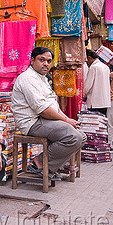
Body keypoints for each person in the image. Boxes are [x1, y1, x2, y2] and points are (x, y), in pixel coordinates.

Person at [12, 46, 85, 180]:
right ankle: (39, 162)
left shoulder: (42, 78)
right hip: (32, 122)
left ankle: (50, 167)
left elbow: (52, 105)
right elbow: (43, 110)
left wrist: (66, 119)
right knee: (73, 137)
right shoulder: (27, 78)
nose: (46, 64)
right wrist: (66, 120)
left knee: (81, 136)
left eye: (49, 61)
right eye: (42, 60)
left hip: (44, 120)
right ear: (32, 60)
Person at [83, 49, 111, 115]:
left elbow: (88, 85)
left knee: (95, 122)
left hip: (95, 101)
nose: (86, 62)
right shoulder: (105, 67)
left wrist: (83, 94)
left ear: (89, 58)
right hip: (105, 101)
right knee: (102, 121)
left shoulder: (93, 67)